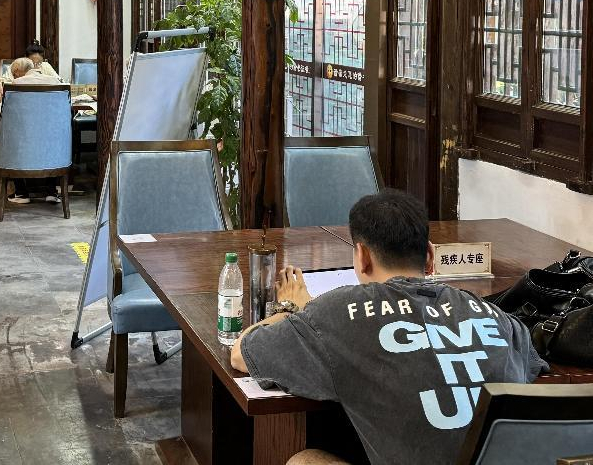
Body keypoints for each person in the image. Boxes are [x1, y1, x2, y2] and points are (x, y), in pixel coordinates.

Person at [230, 190, 547, 465]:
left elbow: (242, 353)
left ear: (362, 257)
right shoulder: (496, 316)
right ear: (430, 256)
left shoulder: (336, 314)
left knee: (304, 460)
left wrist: (292, 307)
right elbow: (533, 363)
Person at [0, 57, 64, 206]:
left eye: (14, 73)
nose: (14, 76)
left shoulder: (15, 85)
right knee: (49, 144)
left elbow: (8, 110)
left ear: (18, 72)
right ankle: (51, 192)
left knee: (11, 144)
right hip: (51, 140)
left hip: (24, 141)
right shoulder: (54, 82)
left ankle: (21, 192)